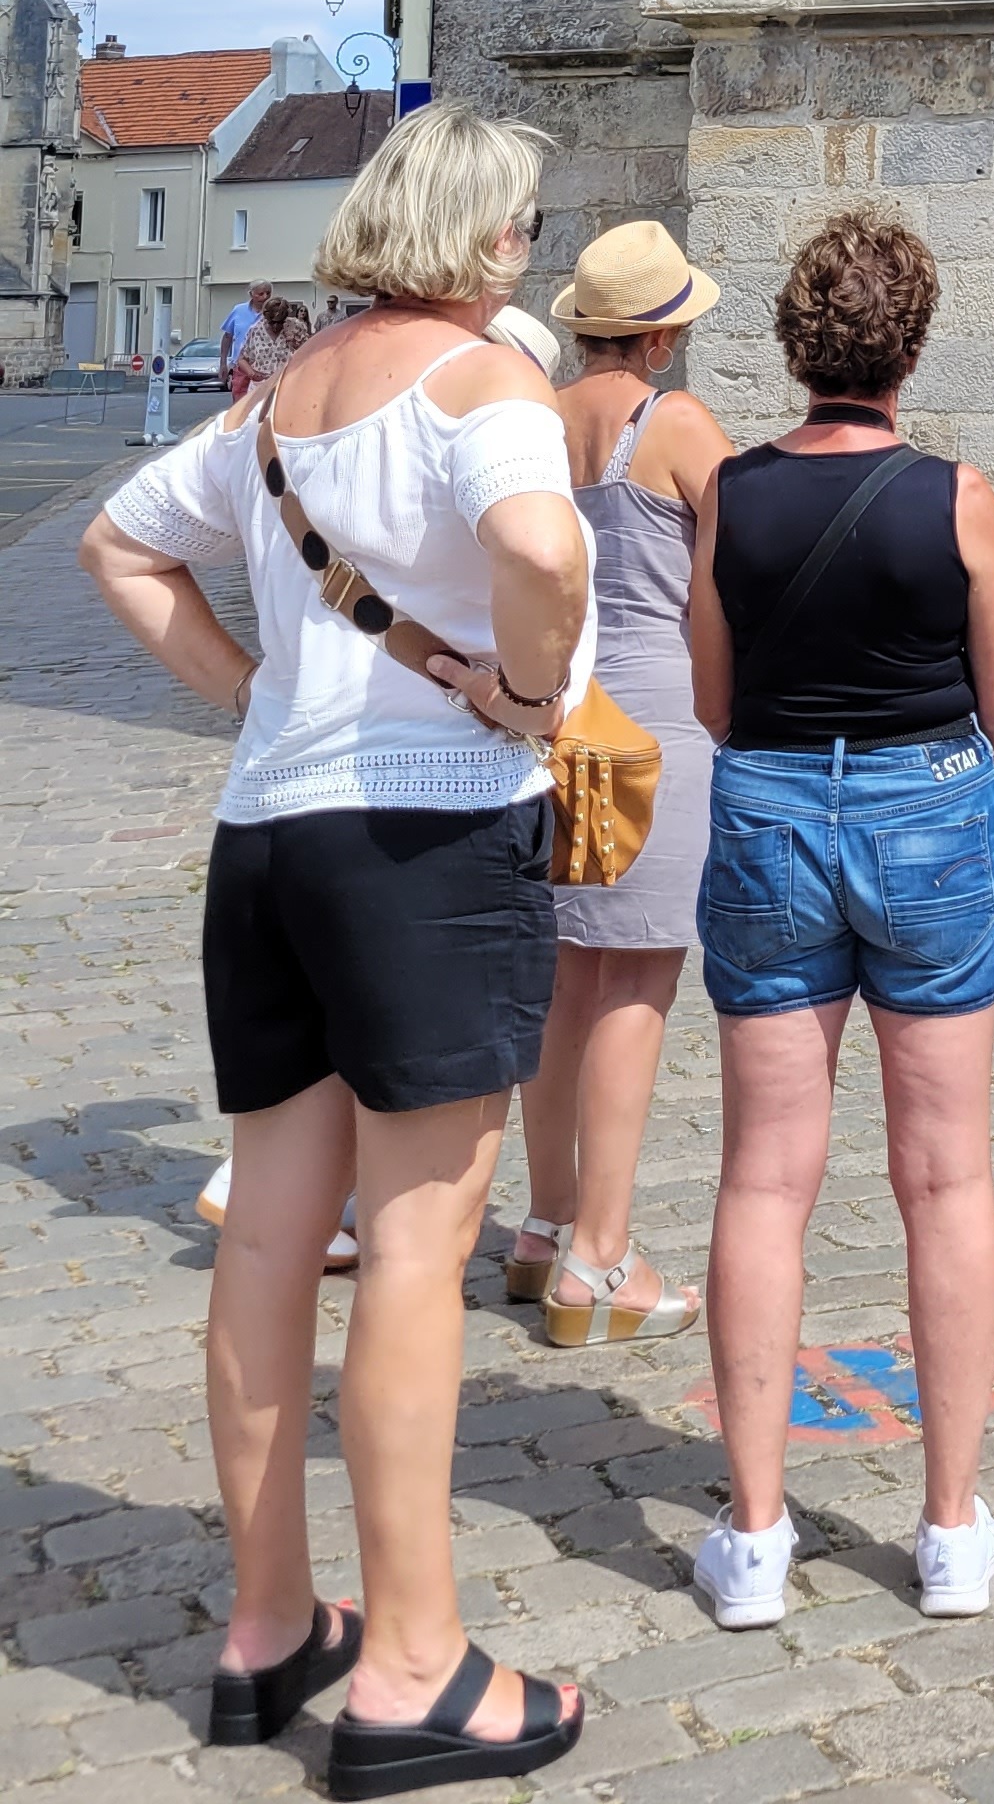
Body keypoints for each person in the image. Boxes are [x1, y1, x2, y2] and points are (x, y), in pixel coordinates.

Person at [79, 106, 592, 1794]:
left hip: (270, 843)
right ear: (492, 239)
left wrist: (253, 697)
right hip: (428, 840)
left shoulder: (279, 399)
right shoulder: (483, 382)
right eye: (521, 226)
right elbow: (536, 545)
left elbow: (121, 543)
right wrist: (527, 688)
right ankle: (416, 1667)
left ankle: (265, 1622)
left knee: (268, 1242)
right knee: (424, 1251)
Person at [689, 210, 994, 1637]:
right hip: (929, 809)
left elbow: (714, 698)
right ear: (914, 342)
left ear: (792, 339)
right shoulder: (958, 495)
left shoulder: (728, 491)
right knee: (944, 1178)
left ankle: (757, 1536)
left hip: (771, 807)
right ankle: (949, 1529)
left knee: (767, 1178)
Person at [500, 222, 731, 1347]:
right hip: (656, 726)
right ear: (658, 331)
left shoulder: (539, 416)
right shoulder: (676, 423)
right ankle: (601, 1255)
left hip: (554, 724)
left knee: (559, 987)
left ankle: (544, 1225)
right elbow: (732, 579)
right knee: (636, 992)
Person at [222, 279, 276, 401]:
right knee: (240, 402)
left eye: (268, 293)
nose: (265, 297)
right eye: (260, 294)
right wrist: (223, 363)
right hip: (241, 367)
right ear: (251, 294)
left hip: (265, 367)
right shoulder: (238, 310)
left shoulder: (274, 313)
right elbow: (227, 337)